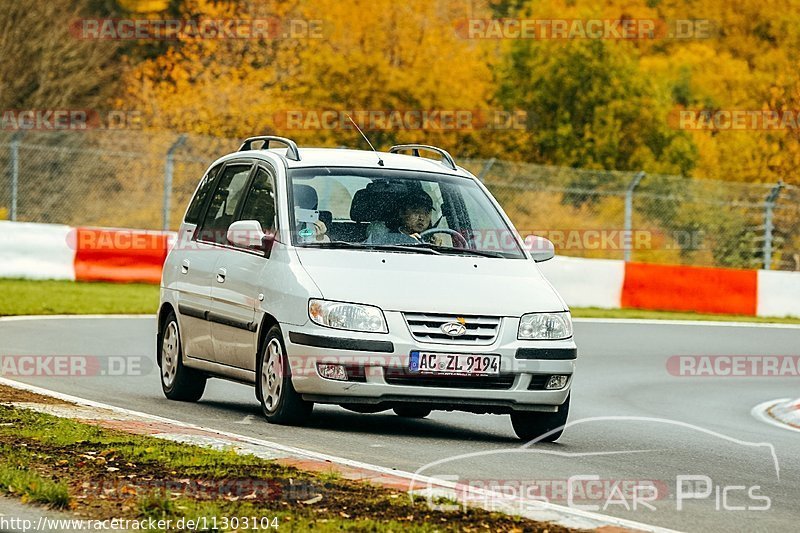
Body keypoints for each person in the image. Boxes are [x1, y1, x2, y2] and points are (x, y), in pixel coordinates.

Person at [366, 190, 436, 245]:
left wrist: (437, 247)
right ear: (402, 213)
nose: (422, 218)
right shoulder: (384, 237)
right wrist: (404, 240)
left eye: (427, 212)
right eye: (416, 211)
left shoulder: (431, 241)